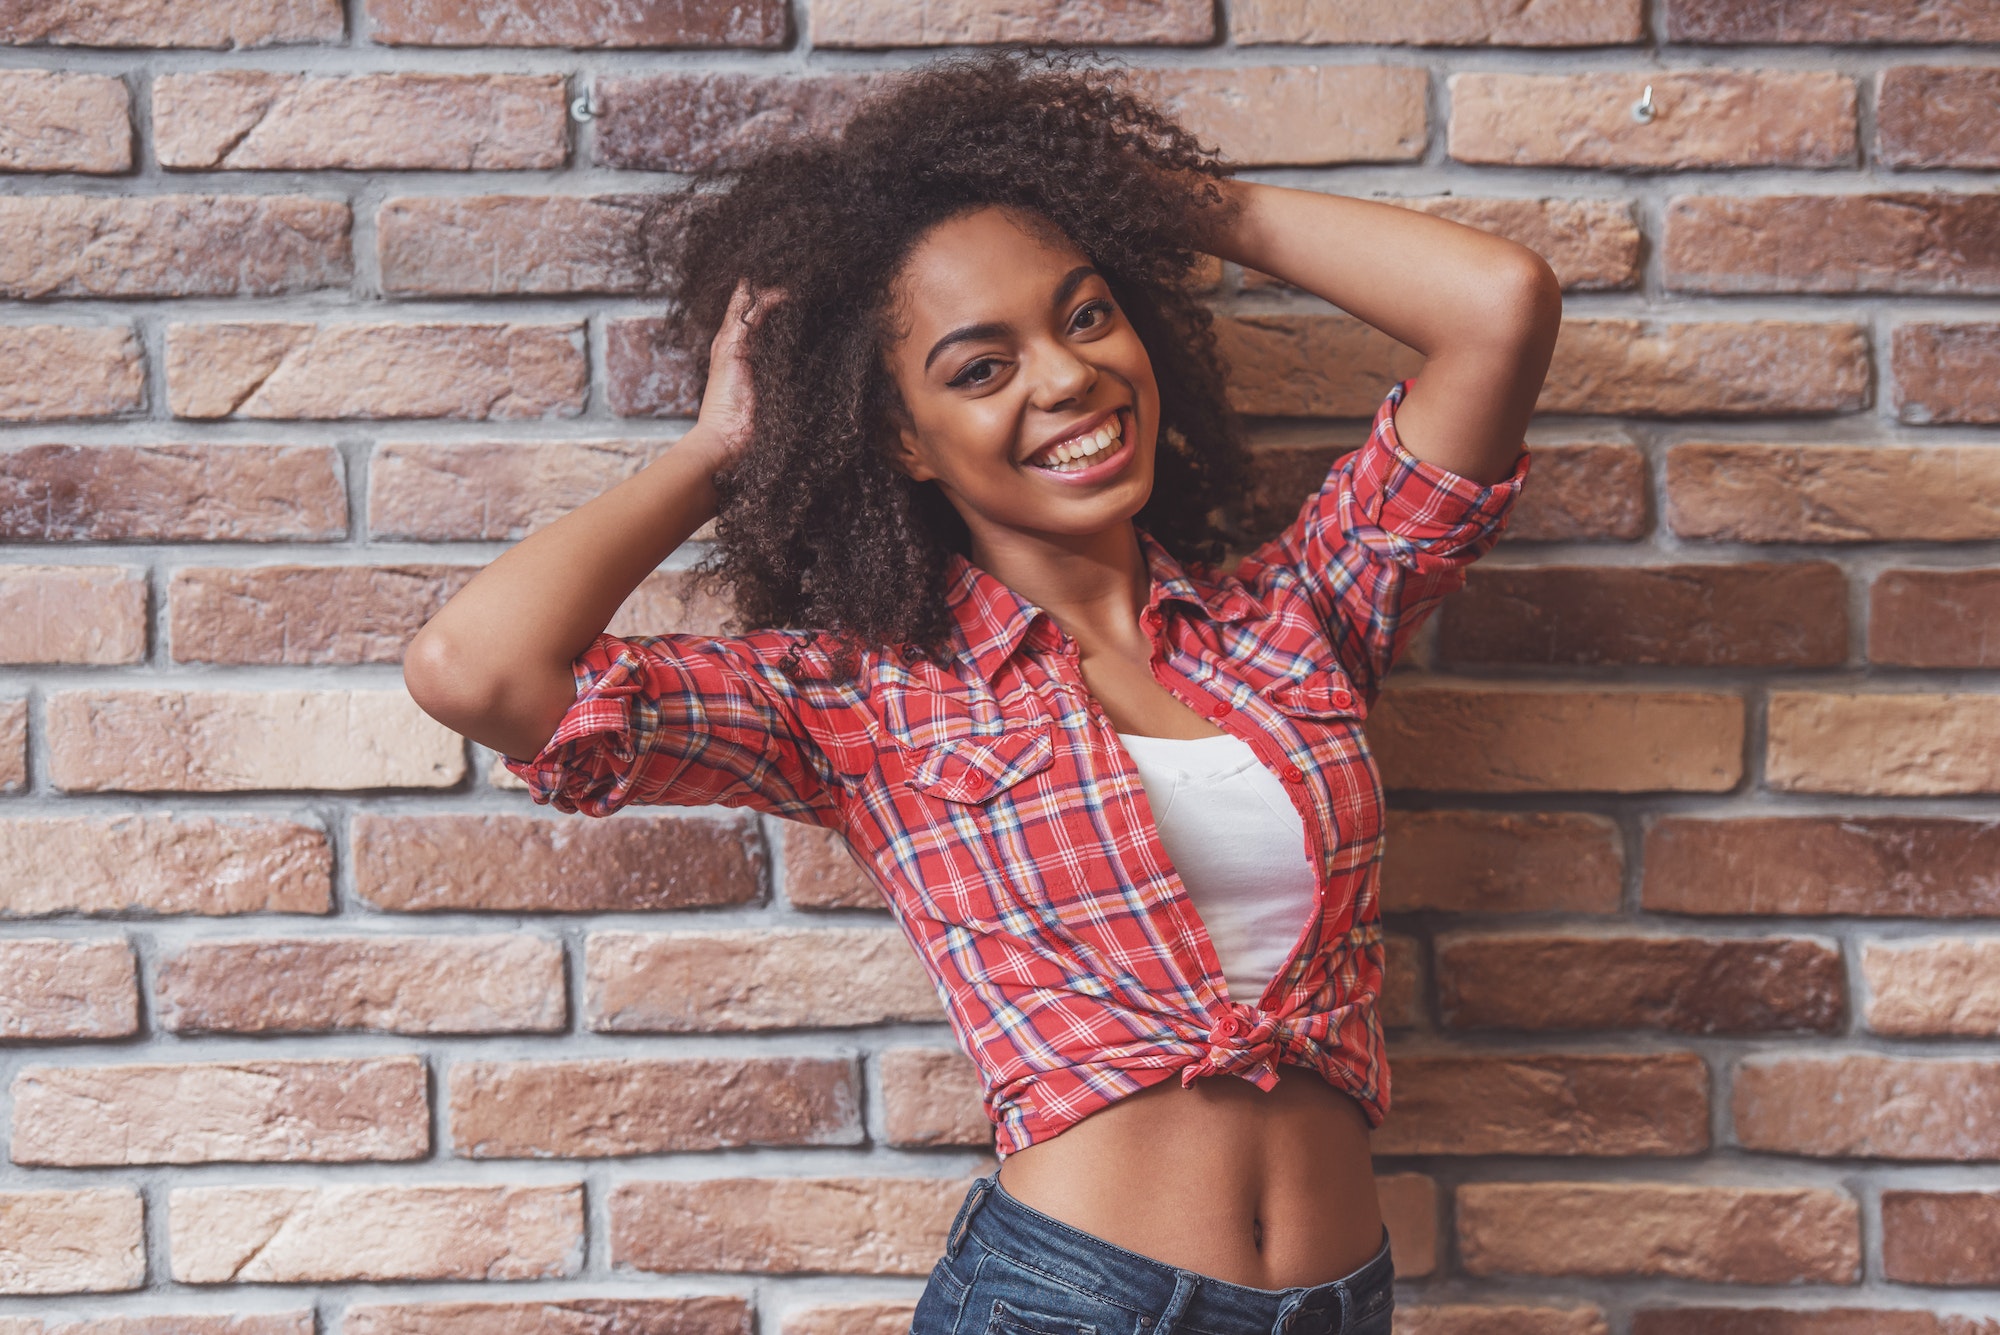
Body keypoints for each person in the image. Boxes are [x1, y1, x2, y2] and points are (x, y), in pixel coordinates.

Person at [404, 48, 1556, 1335]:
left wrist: (1146, 203)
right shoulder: (859, 698)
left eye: (1081, 314)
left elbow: (1496, 306)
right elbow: (480, 671)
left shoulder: (1298, 624)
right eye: (978, 367)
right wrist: (721, 450)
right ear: (899, 437)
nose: (1063, 380)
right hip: (1068, 1305)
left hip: (1338, 1305)